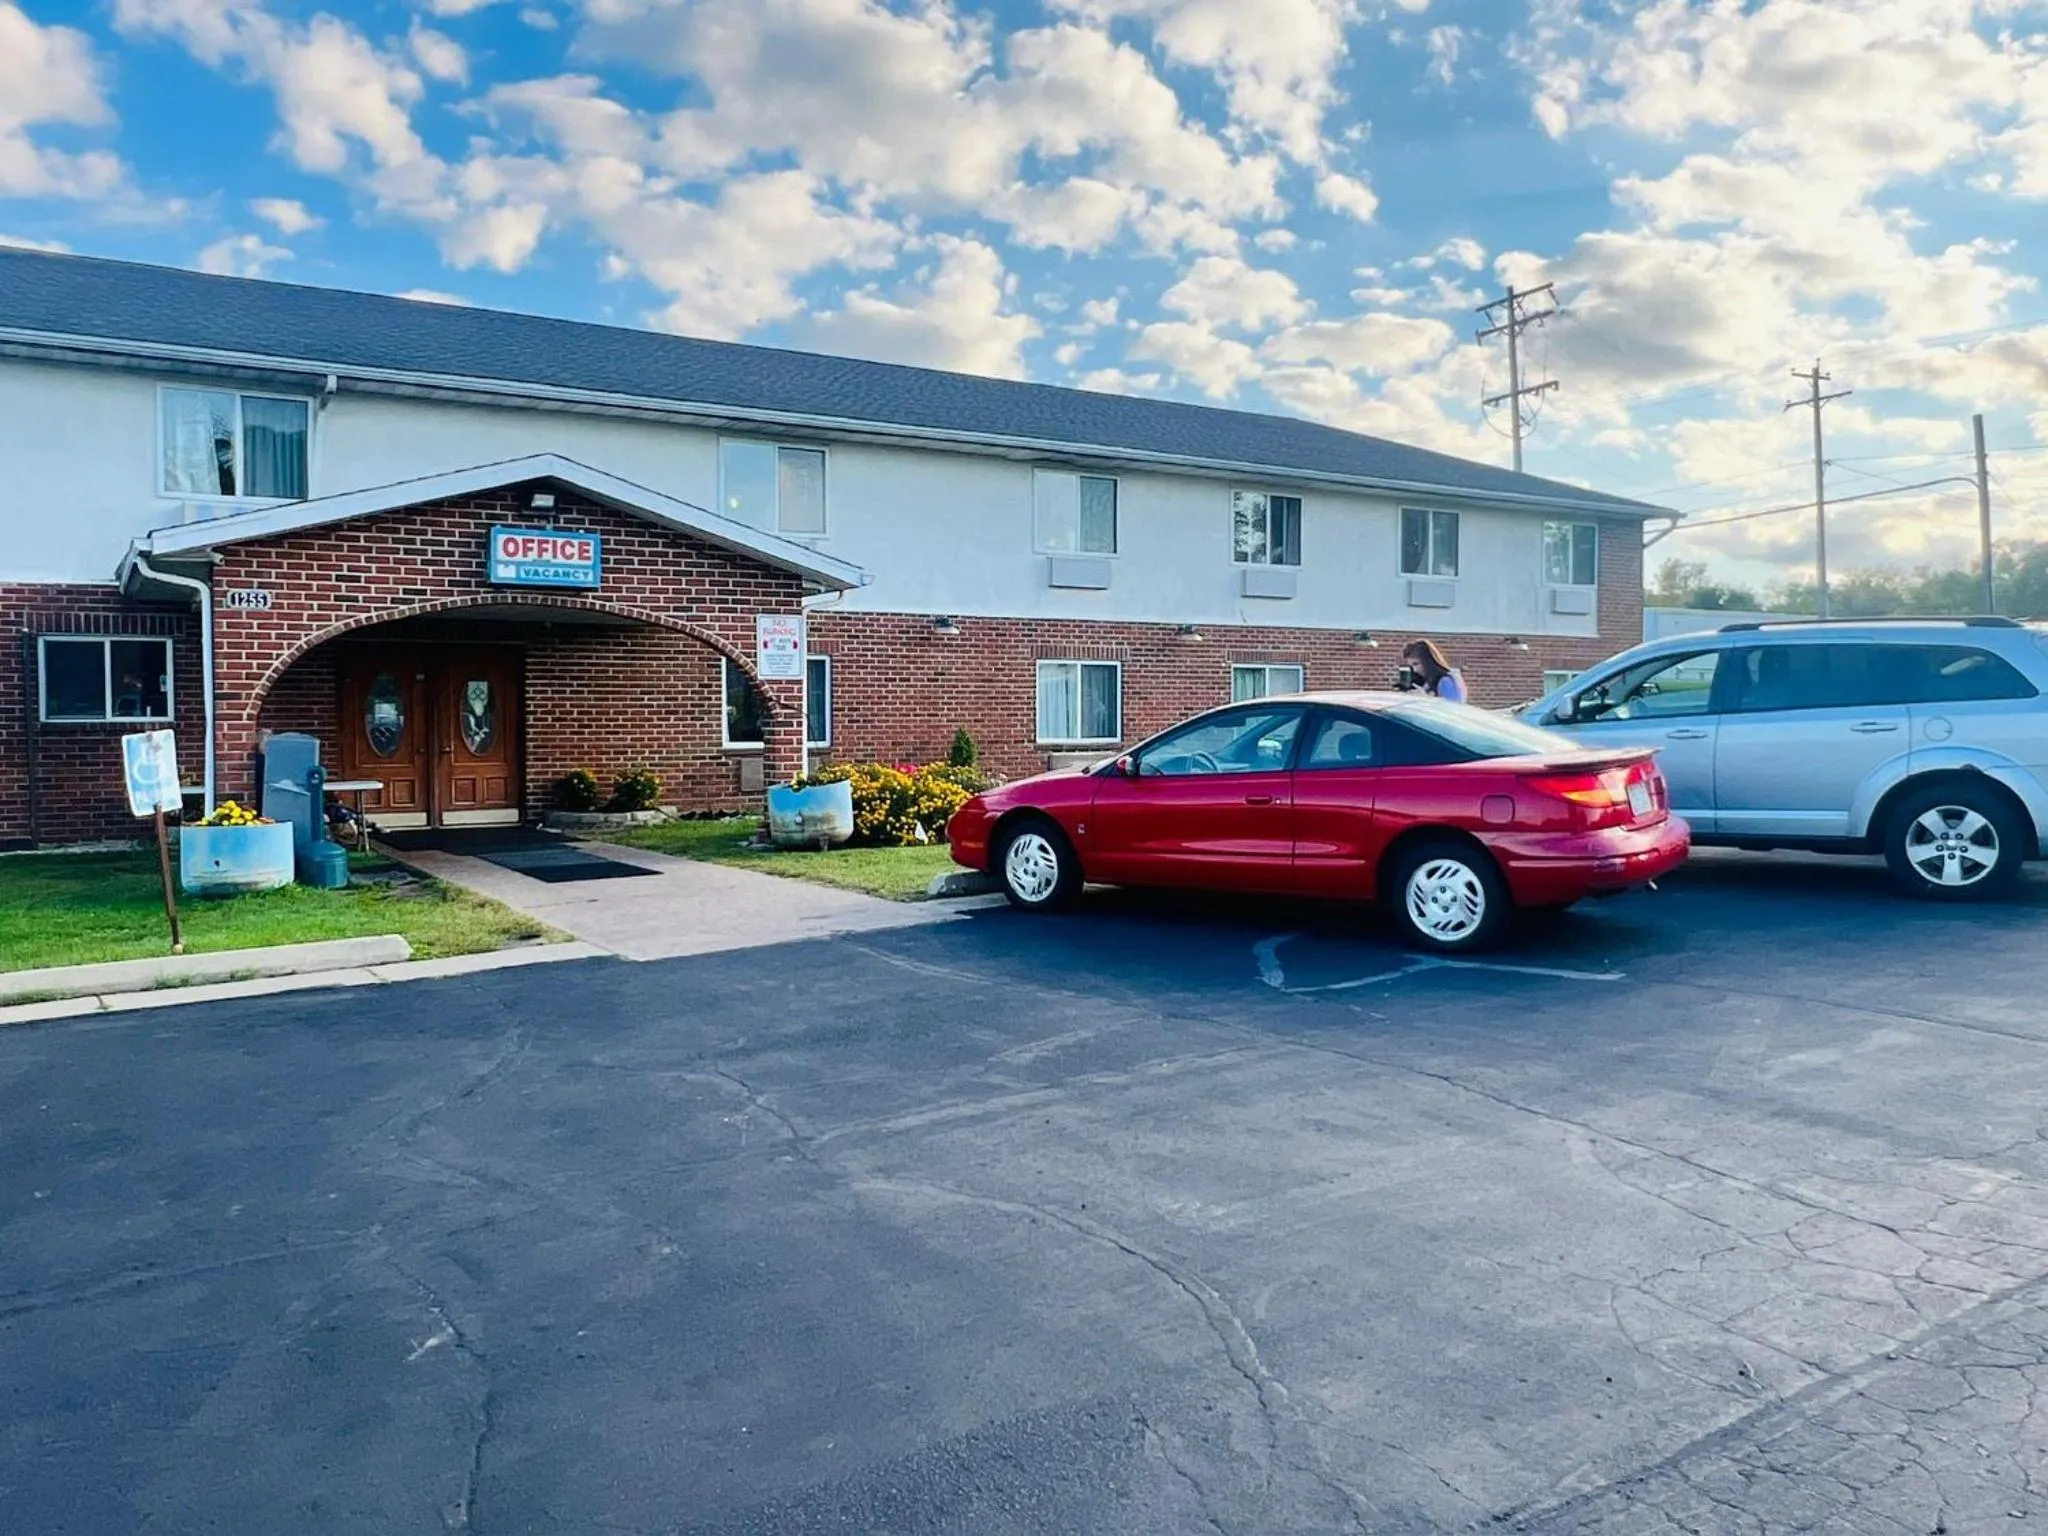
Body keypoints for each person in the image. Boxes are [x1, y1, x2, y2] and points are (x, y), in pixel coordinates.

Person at [1402, 639, 1467, 703]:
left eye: (1416, 664)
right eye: (1412, 666)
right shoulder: (1430, 682)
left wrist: (1424, 699)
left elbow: (1451, 709)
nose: (1415, 670)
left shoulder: (1446, 681)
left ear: (1427, 661)